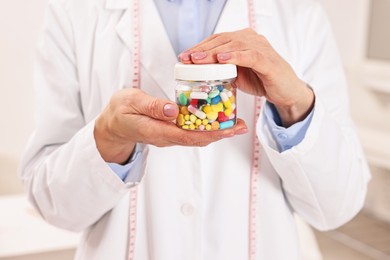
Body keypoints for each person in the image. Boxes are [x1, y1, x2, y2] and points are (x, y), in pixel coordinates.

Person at [19, 0, 371, 259]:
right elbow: (55, 207)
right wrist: (108, 139)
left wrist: (296, 105)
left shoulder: (298, 15)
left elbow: (337, 207)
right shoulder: (74, 12)